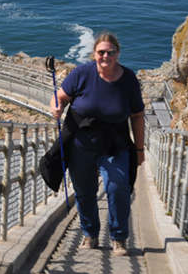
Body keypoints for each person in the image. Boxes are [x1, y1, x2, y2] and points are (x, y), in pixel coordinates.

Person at [50, 32, 145, 256]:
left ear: (117, 54)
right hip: (81, 145)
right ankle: (90, 234)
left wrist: (139, 149)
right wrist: (56, 107)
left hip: (115, 144)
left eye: (110, 52)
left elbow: (138, 115)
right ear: (94, 54)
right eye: (101, 52)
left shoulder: (129, 79)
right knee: (84, 192)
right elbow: (60, 96)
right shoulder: (82, 73)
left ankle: (119, 238)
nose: (105, 56)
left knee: (117, 186)